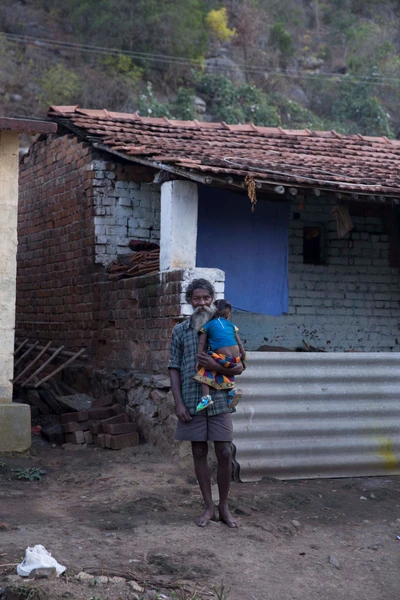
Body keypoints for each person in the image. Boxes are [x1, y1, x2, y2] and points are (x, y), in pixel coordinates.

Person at [169, 278, 244, 528]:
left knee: (224, 452)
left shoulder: (224, 327)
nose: (201, 303)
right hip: (192, 399)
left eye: (206, 298)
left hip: (220, 399)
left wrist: (216, 366)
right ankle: (208, 507)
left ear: (213, 299)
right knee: (199, 451)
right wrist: (178, 403)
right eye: (196, 299)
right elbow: (174, 368)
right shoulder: (180, 331)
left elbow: (241, 365)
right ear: (189, 302)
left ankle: (224, 507)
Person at [193, 299, 245, 412]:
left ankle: (206, 398)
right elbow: (239, 343)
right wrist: (243, 356)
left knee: (205, 371)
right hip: (235, 358)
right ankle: (232, 391)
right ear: (228, 314)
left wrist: (199, 356)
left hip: (221, 357)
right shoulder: (231, 325)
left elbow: (202, 342)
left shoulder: (208, 325)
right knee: (228, 368)